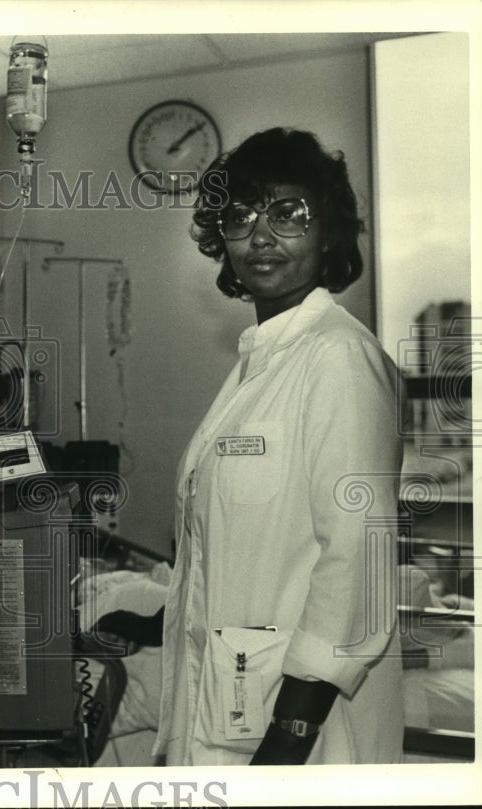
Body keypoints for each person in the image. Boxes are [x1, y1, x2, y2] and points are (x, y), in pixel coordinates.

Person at [152, 127, 405, 765]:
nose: (260, 235)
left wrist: (287, 741)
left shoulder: (340, 359)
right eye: (240, 216)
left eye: (288, 213)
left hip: (302, 729)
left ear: (329, 234)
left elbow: (358, 563)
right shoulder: (258, 366)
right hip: (237, 703)